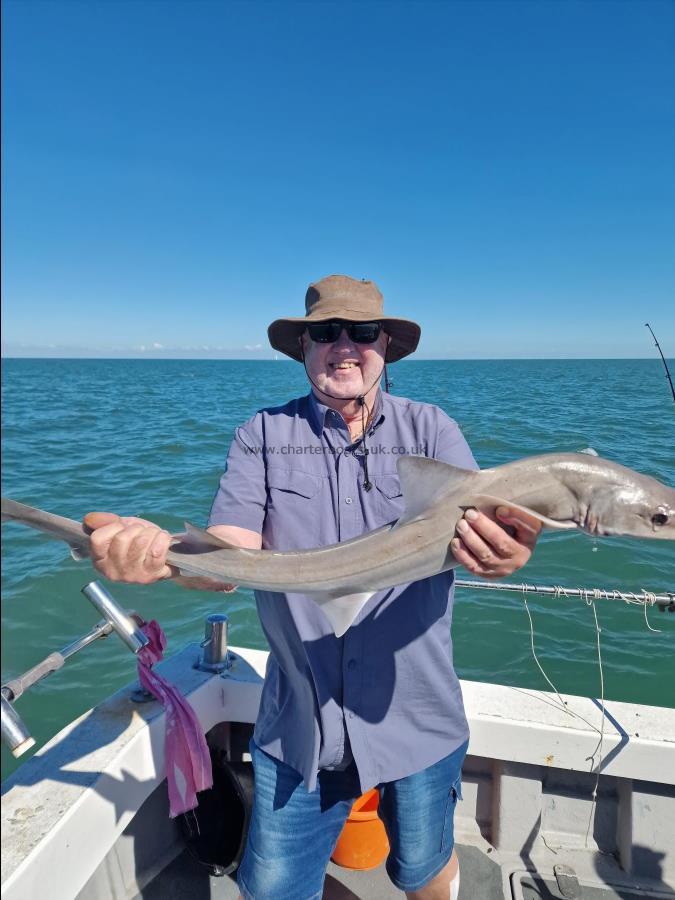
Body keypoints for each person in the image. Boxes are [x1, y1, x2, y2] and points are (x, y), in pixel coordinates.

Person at [85, 275, 540, 900]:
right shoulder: (261, 437)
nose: (344, 346)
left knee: (424, 868)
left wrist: (505, 551)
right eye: (326, 332)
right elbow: (229, 555)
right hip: (299, 723)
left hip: (418, 713)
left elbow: (486, 526)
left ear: (385, 346)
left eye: (362, 332)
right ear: (303, 348)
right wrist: (162, 559)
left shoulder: (434, 433)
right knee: (271, 888)